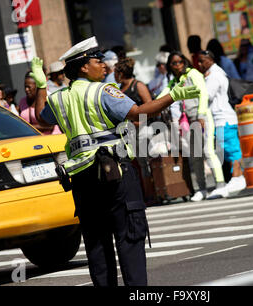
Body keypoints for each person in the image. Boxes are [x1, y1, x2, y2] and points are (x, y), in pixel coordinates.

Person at [29, 36, 200, 286]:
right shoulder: (102, 91)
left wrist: (42, 85)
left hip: (82, 180)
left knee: (97, 245)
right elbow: (138, 113)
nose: (105, 65)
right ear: (84, 67)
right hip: (114, 174)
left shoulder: (59, 98)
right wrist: (174, 95)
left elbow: (41, 119)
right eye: (98, 60)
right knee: (129, 237)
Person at [160, 51, 227, 201]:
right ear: (170, 66)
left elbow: (203, 93)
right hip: (187, 121)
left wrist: (201, 115)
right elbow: (164, 95)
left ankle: (221, 185)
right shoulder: (175, 81)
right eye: (174, 63)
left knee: (208, 151)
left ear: (184, 62)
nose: (178, 66)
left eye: (180, 62)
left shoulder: (193, 74)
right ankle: (202, 189)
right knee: (195, 156)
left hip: (201, 118)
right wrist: (151, 105)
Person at [198, 50, 247, 194]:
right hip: (221, 118)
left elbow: (206, 95)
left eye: (202, 61)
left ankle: (238, 177)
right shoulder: (216, 72)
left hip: (223, 118)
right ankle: (236, 177)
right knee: (227, 149)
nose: (199, 64)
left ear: (210, 60)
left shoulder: (214, 75)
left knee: (231, 148)